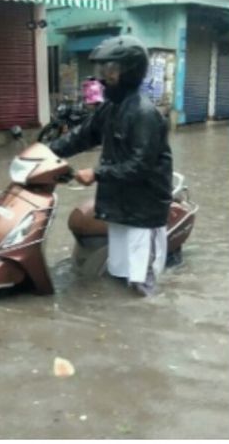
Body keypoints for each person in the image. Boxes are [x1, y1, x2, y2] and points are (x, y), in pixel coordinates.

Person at [48, 35, 173, 296]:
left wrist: (95, 173)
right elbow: (82, 135)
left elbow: (139, 165)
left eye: (111, 70)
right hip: (118, 207)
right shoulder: (111, 109)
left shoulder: (144, 114)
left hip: (143, 211)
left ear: (130, 72)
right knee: (117, 276)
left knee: (141, 287)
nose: (104, 77)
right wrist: (46, 152)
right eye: (103, 70)